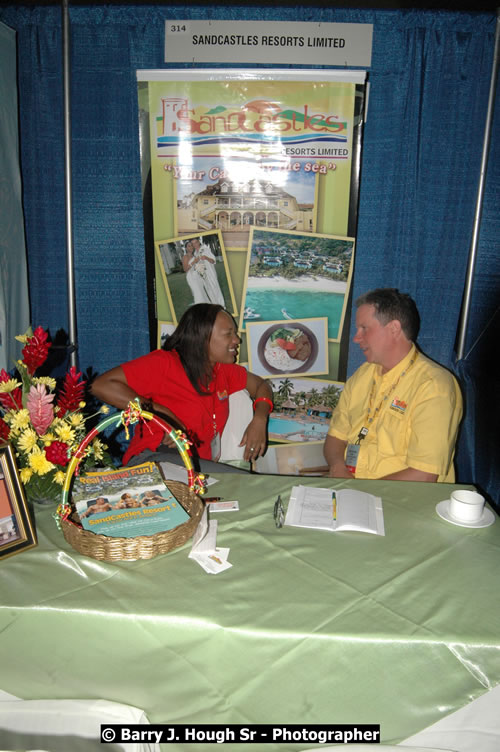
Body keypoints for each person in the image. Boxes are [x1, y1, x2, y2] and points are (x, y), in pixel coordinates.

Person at [91, 304, 274, 470]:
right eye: (228, 334)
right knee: (236, 480)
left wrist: (260, 419)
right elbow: (101, 385)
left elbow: (260, 385)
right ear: (203, 338)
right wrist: (161, 413)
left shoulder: (223, 370)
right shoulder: (165, 363)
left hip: (196, 466)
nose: (236, 340)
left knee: (233, 481)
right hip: (154, 459)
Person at [324, 288, 463, 482]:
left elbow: (423, 475)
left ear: (394, 329)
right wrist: (338, 466)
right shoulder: (362, 375)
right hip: (350, 489)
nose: (356, 338)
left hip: (401, 502)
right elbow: (334, 438)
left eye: (364, 328)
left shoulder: (434, 386)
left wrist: (360, 492)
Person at [192, 236, 225, 306]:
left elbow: (213, 261)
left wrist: (206, 258)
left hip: (210, 273)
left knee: (215, 288)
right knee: (208, 290)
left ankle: (222, 306)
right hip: (203, 274)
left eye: (195, 242)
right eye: (193, 244)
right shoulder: (195, 253)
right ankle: (215, 306)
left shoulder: (205, 249)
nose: (194, 245)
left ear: (198, 242)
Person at [182, 240, 208, 305]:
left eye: (191, 246)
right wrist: (194, 262)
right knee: (198, 293)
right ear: (186, 248)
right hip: (191, 277)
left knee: (202, 292)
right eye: (189, 246)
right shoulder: (185, 257)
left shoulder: (194, 256)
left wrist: (202, 270)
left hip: (197, 276)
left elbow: (196, 267)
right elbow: (185, 269)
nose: (191, 247)